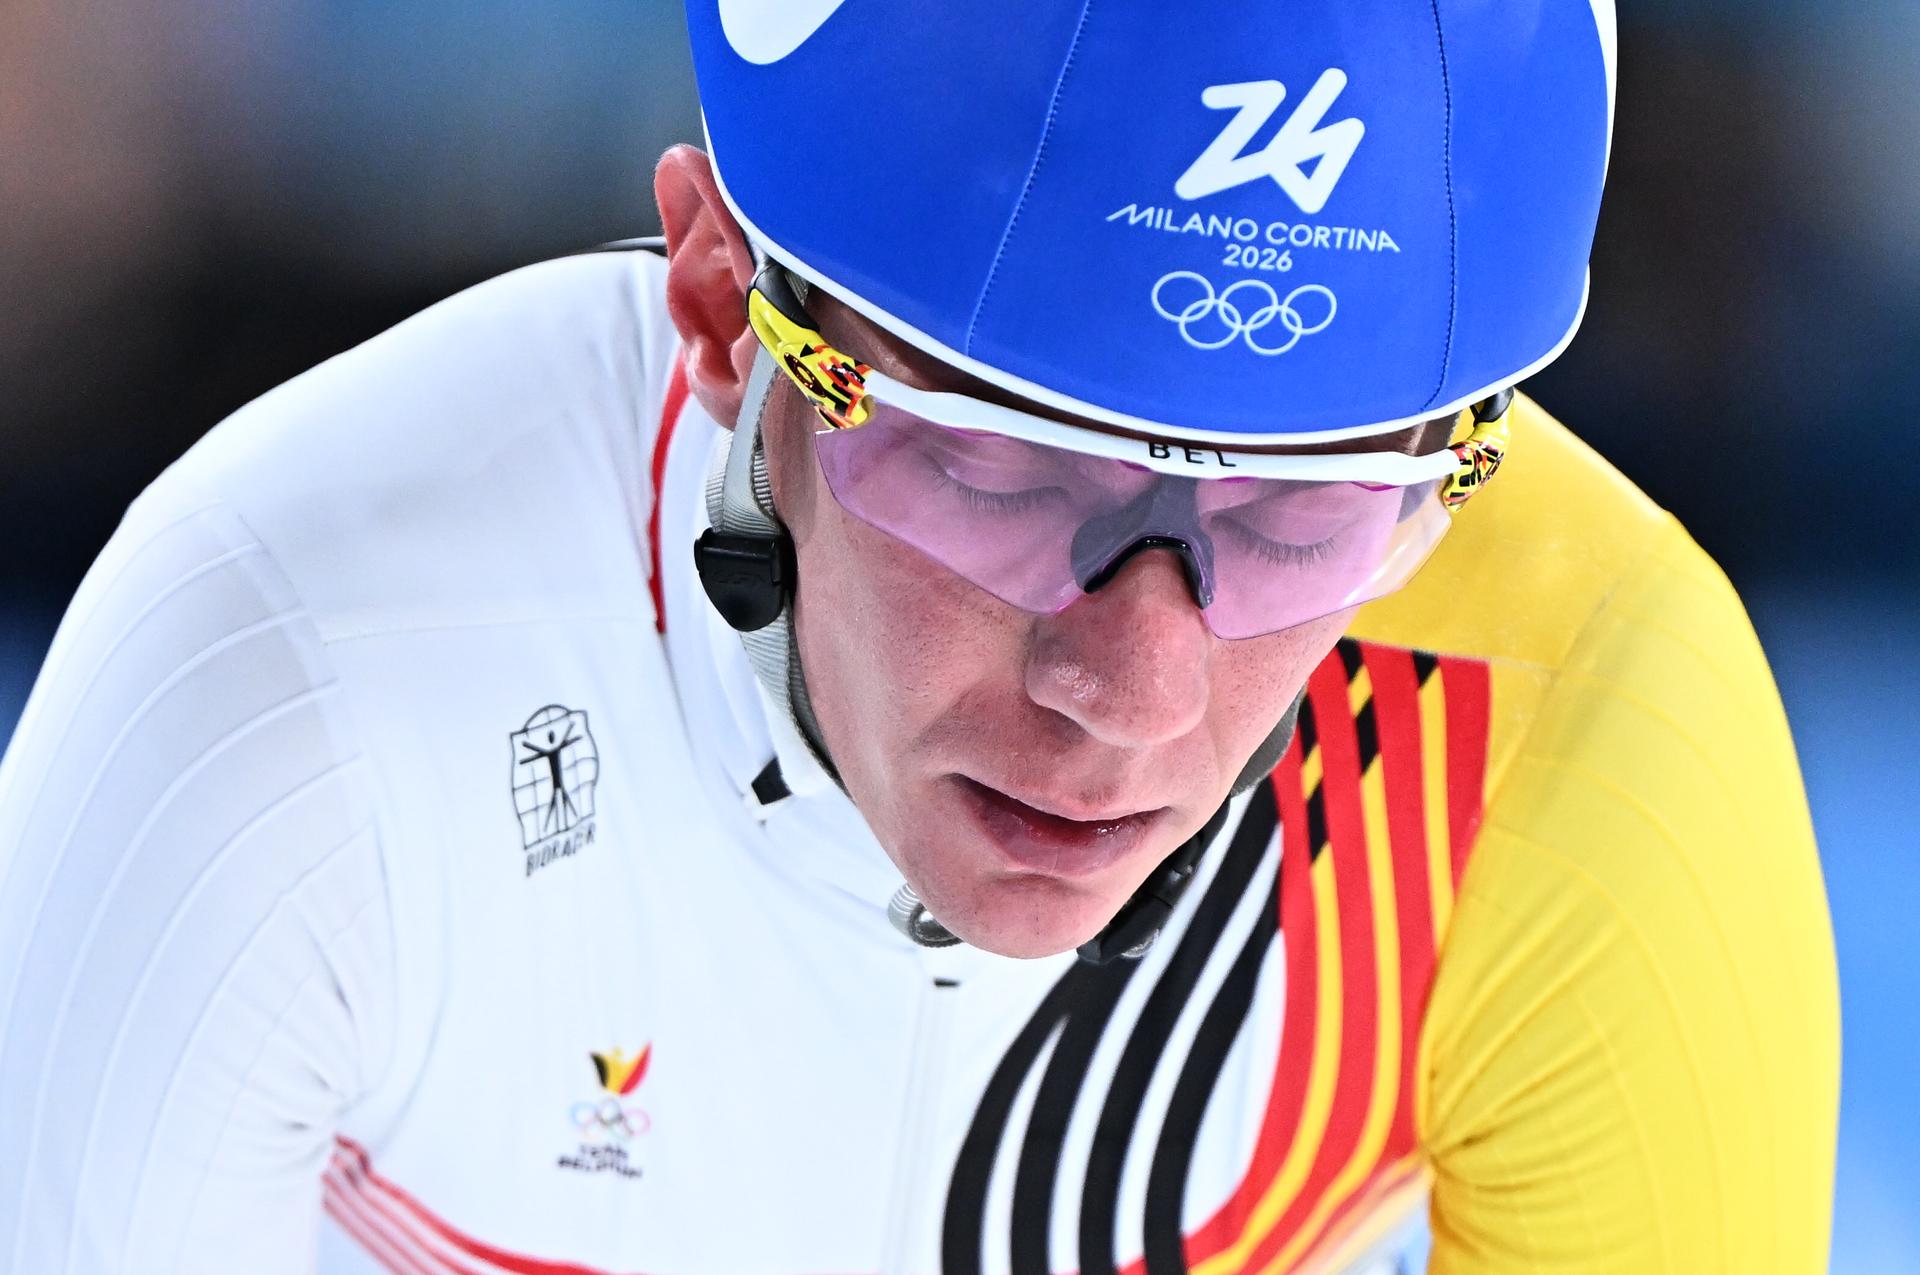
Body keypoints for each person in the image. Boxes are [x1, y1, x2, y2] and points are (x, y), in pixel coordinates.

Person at [0, 2, 1838, 1272]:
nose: (1131, 697)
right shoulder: (296, 692)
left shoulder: (1568, 748)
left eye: (1304, 514)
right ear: (723, 301)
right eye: (1005, 473)